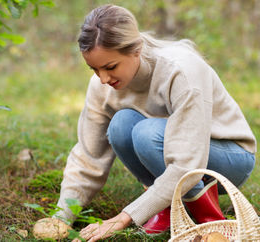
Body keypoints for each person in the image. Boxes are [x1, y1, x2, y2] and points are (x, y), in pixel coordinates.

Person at [43, 4, 256, 241]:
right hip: (171, 150)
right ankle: (163, 206)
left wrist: (123, 218)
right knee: (121, 124)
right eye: (94, 69)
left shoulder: (181, 70)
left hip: (228, 157)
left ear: (136, 49)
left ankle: (209, 217)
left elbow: (186, 163)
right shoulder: (103, 86)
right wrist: (61, 217)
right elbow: (88, 155)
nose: (103, 78)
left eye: (110, 67)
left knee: (146, 133)